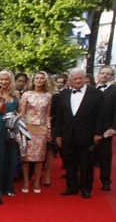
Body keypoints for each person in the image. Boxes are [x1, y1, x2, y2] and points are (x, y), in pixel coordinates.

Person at [52, 68, 103, 198]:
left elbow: (100, 116)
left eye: (80, 78)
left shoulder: (96, 94)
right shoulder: (63, 95)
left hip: (87, 134)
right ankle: (71, 187)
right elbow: (59, 117)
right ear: (70, 80)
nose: (78, 80)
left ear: (85, 78)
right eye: (75, 78)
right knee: (70, 163)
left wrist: (98, 133)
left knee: (86, 164)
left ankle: (86, 189)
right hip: (68, 134)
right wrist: (57, 135)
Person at [19, 71, 54, 193]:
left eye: (41, 78)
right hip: (27, 127)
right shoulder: (26, 95)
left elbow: (48, 115)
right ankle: (26, 182)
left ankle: (37, 181)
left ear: (45, 81)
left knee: (40, 157)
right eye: (37, 78)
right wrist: (21, 130)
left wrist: (49, 131)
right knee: (25, 156)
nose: (39, 80)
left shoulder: (48, 96)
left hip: (42, 128)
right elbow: (22, 114)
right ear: (33, 80)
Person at [0, 70, 21, 199]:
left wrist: (17, 116)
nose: (4, 82)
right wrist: (1, 98)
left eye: (6, 80)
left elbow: (19, 110)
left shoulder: (17, 94)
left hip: (12, 127)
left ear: (11, 81)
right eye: (1, 80)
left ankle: (8, 186)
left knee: (11, 157)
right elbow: (2, 109)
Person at [96, 65, 114, 191]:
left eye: (108, 74)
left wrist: (113, 128)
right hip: (89, 129)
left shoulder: (114, 90)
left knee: (105, 157)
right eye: (103, 73)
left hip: (106, 130)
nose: (105, 75)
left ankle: (106, 181)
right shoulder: (91, 90)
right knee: (87, 157)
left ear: (112, 76)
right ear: (99, 74)